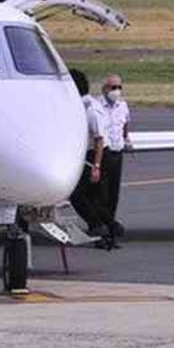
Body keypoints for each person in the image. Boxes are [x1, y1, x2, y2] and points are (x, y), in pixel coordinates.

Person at [67, 67, 115, 247]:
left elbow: (99, 140)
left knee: (77, 195)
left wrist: (96, 166)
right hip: (96, 155)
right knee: (94, 198)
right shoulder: (87, 104)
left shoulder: (89, 110)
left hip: (98, 155)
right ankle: (108, 231)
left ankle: (100, 226)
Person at [89, 74, 131, 240]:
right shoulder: (97, 106)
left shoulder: (123, 106)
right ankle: (101, 227)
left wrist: (126, 138)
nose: (117, 91)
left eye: (119, 87)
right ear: (105, 88)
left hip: (117, 153)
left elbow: (125, 123)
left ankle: (109, 226)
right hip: (103, 154)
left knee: (114, 194)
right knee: (101, 194)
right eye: (113, 87)